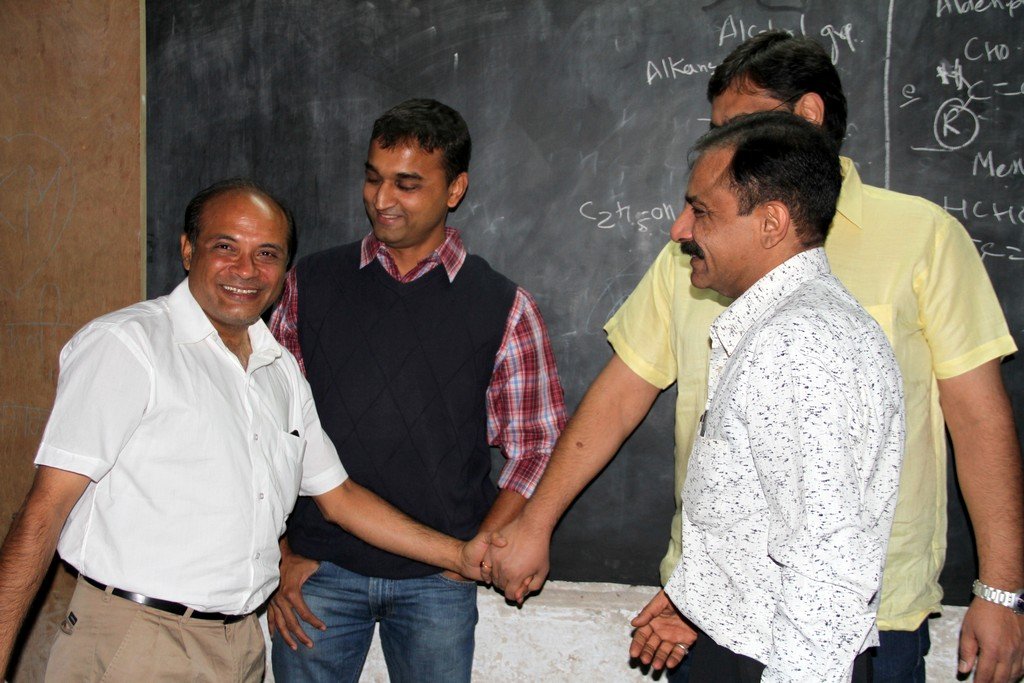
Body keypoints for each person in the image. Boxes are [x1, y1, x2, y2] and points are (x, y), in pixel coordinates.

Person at [487, 31, 1023, 683]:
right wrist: (539, 522)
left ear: (808, 116)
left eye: (740, 126)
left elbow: (977, 420)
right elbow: (623, 393)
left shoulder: (919, 240)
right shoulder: (700, 250)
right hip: (712, 607)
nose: (724, 149)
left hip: (861, 618)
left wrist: (1000, 592)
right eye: (717, 132)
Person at [0, 179, 492, 682]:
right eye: (225, 247)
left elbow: (340, 498)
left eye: (267, 254)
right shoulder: (128, 347)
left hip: (240, 646)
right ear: (188, 250)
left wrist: (461, 556)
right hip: (135, 643)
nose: (247, 270)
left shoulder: (280, 372)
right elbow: (44, 510)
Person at [267, 98, 567, 682]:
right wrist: (278, 554)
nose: (382, 199)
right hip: (318, 572)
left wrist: (479, 548)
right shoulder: (310, 284)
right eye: (373, 178)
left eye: (406, 184)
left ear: (455, 189)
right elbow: (267, 429)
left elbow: (538, 444)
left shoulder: (504, 306)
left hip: (438, 581)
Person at [636, 110, 902, 679]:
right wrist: (702, 596)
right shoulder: (790, 325)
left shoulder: (799, 341)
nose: (679, 230)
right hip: (746, 644)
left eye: (701, 211)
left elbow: (827, 563)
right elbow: (766, 517)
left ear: (771, 223)